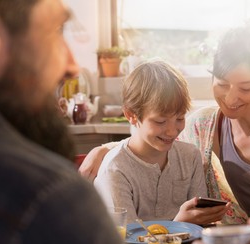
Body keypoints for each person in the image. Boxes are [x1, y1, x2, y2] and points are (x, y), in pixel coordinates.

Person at [0, 0, 250, 244]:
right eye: (53, 31)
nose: (73, 65)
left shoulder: (191, 144)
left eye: (178, 118)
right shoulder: (50, 201)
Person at [80, 21, 250, 225]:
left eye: (245, 88)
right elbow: (153, 137)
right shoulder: (200, 126)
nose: (230, 98)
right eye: (222, 84)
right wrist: (106, 149)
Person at [94, 61, 227, 225]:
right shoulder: (116, 169)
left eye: (179, 118)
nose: (172, 131)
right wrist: (178, 224)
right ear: (131, 115)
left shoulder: (190, 156)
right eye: (160, 121)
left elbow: (200, 223)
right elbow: (126, 238)